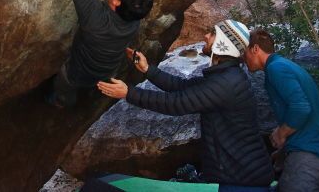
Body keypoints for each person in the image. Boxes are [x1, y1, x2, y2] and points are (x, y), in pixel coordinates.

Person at [98, 20, 275, 188]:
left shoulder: (225, 83)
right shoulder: (226, 76)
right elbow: (181, 86)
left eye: (213, 33)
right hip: (240, 172)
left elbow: (176, 104)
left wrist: (129, 93)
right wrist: (147, 69)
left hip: (242, 178)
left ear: (224, 43)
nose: (206, 36)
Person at [244, 29, 319, 192]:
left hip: (308, 158)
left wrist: (281, 133)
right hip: (317, 155)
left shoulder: (276, 68)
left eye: (243, 53)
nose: (242, 58)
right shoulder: (281, 65)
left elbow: (301, 108)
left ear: (255, 49)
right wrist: (284, 149)